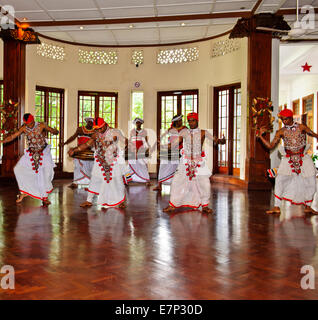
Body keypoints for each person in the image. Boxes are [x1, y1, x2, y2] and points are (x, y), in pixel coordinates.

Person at [257, 108, 318, 214]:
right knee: (280, 180)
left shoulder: (302, 127)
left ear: (291, 118)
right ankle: (277, 206)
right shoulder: (281, 131)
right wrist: (261, 137)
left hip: (303, 157)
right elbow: (270, 146)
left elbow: (313, 134)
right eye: (282, 120)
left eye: (285, 119)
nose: (284, 122)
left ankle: (308, 206)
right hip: (288, 159)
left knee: (311, 180)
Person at [163, 112, 225, 214]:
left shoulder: (204, 132)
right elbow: (174, 143)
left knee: (205, 184)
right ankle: (172, 205)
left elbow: (216, 141)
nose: (191, 123)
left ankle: (205, 206)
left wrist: (222, 141)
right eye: (189, 121)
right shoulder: (183, 132)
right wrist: (164, 146)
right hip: (185, 161)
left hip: (199, 162)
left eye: (193, 121)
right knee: (176, 182)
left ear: (197, 121)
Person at [68, 117, 128, 209]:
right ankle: (89, 200)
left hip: (113, 160)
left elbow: (124, 141)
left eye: (100, 128)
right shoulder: (96, 134)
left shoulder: (114, 132)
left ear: (104, 125)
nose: (98, 130)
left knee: (116, 181)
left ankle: (121, 201)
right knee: (95, 179)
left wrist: (125, 150)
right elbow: (87, 144)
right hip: (100, 160)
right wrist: (74, 150)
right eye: (97, 129)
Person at [0, 113, 58, 206]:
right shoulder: (24, 127)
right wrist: (2, 141)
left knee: (45, 174)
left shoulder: (41, 125)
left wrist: (55, 131)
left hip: (43, 152)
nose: (29, 125)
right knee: (17, 169)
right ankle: (24, 192)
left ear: (33, 120)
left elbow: (52, 130)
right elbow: (13, 136)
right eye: (27, 123)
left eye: (30, 123)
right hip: (31, 153)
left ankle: (44, 197)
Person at [153, 114, 187, 191]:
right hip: (169, 149)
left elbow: (180, 140)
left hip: (179, 150)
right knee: (162, 166)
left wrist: (166, 146)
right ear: (176, 122)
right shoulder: (170, 129)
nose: (181, 122)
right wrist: (159, 142)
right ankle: (159, 185)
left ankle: (180, 185)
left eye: (181, 120)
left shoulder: (184, 129)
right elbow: (163, 137)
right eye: (179, 121)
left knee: (178, 168)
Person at [61, 118, 95, 189]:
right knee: (77, 167)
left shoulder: (95, 132)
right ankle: (75, 182)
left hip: (90, 152)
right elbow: (73, 137)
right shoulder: (80, 129)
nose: (91, 124)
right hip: (79, 151)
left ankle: (91, 184)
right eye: (89, 122)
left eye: (92, 123)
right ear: (87, 122)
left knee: (90, 168)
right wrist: (64, 143)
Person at [127, 118, 151, 186]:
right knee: (132, 164)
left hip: (141, 149)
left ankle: (146, 179)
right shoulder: (132, 131)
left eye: (139, 123)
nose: (138, 124)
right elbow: (130, 140)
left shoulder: (144, 131)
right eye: (137, 123)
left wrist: (147, 149)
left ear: (141, 123)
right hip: (133, 149)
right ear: (135, 123)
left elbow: (146, 141)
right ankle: (130, 178)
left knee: (142, 164)